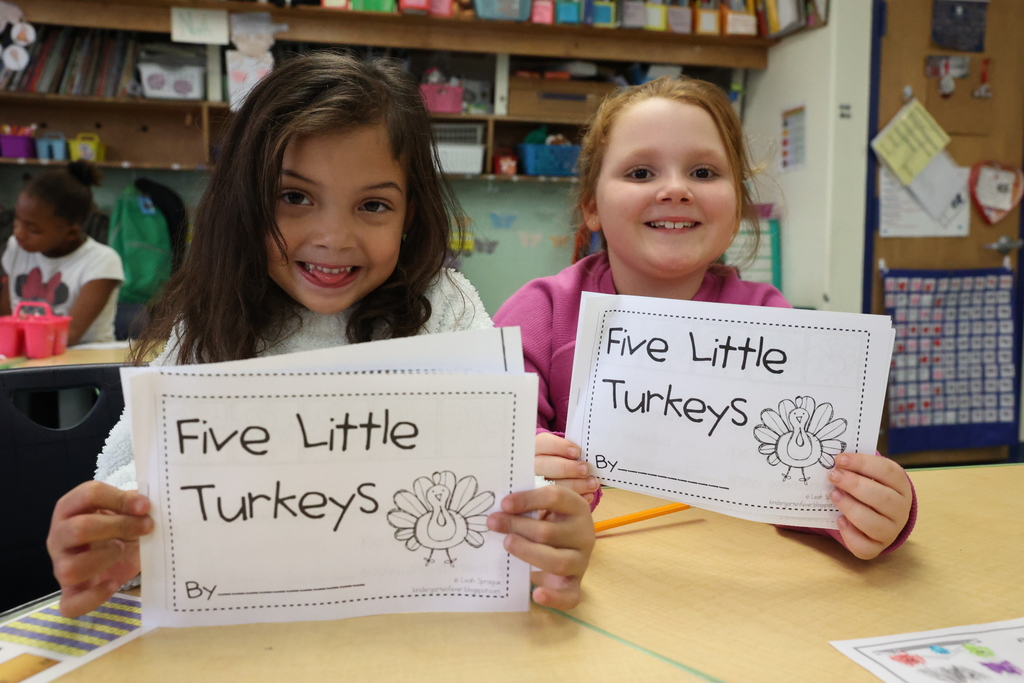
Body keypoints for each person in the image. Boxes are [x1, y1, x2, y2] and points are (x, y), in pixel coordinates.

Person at [46, 52, 593, 618]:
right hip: (246, 628)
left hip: (413, 628)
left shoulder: (443, 310)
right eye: (295, 197)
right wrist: (117, 532)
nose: (333, 236)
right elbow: (138, 478)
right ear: (246, 201)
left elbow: (492, 479)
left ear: (410, 217)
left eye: (373, 204)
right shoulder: (213, 323)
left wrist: (545, 531)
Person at [494, 76, 916, 561]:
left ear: (737, 208)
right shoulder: (538, 313)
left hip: (737, 580)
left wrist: (874, 507)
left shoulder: (771, 324)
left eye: (702, 172)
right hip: (587, 574)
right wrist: (529, 462)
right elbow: (488, 439)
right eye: (639, 173)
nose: (675, 189)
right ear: (591, 205)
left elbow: (824, 467)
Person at [0, 161, 123, 345]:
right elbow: (6, 315)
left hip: (83, 360)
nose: (18, 233)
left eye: (33, 229)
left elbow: (70, 334)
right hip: (27, 354)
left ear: (71, 233)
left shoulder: (103, 261)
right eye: (17, 221)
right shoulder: (16, 247)